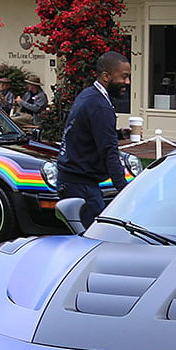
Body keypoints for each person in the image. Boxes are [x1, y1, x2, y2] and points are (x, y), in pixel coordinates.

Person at [57, 52, 131, 229]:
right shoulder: (100, 106)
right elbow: (109, 152)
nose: (127, 83)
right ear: (106, 76)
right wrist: (125, 191)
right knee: (93, 237)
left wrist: (119, 134)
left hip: (70, 179)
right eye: (124, 77)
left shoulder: (88, 95)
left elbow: (89, 132)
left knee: (79, 236)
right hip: (81, 184)